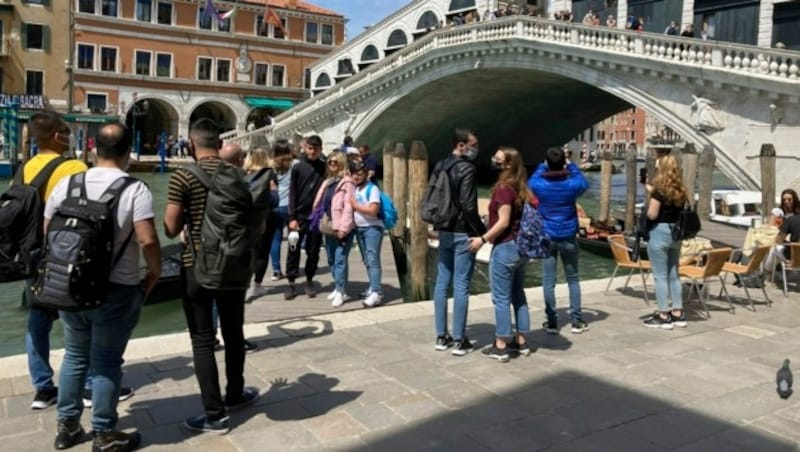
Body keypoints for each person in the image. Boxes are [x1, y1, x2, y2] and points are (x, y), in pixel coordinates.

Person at [49, 122, 161, 451]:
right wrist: (153, 273)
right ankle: (104, 433)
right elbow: (148, 239)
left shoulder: (68, 183)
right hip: (118, 288)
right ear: (129, 152)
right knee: (107, 361)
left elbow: (48, 232)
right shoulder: (135, 189)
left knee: (74, 356)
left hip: (71, 287)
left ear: (95, 148)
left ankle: (67, 427)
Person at [163, 119, 259, 434]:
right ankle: (235, 393)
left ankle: (214, 415)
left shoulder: (183, 176)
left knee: (203, 340)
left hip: (197, 267)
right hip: (234, 263)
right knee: (234, 332)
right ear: (219, 145)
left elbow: (171, 227)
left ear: (191, 145)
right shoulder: (238, 174)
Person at [22, 111, 88, 411]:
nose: (68, 134)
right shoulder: (74, 166)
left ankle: (43, 388)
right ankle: (86, 385)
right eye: (65, 130)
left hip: (30, 252)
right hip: (65, 253)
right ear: (55, 135)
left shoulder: (23, 167)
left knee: (37, 318)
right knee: (77, 316)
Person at [432, 128, 486, 356]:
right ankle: (459, 339)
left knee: (442, 282)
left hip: (443, 228)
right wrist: (482, 232)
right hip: (462, 231)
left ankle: (441, 336)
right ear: (461, 145)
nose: (476, 148)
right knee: (462, 284)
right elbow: (468, 204)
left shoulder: (440, 165)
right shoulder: (467, 168)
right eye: (473, 144)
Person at [528, 147, 589, 334]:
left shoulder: (539, 186)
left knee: (548, 280)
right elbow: (583, 181)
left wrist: (542, 165)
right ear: (564, 162)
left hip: (547, 236)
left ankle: (552, 321)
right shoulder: (572, 186)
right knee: (573, 279)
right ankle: (577, 321)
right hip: (568, 235)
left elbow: (531, 181)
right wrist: (571, 166)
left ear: (547, 164)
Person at [483, 147, 534, 362]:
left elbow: (503, 222)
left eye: (498, 158)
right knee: (518, 295)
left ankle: (501, 343)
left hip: (505, 247)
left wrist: (483, 238)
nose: (493, 160)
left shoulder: (504, 189)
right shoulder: (520, 187)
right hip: (520, 248)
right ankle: (521, 340)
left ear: (507, 164)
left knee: (501, 297)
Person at [641, 154, 688, 329]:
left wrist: (650, 199)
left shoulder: (659, 191)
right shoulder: (682, 190)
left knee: (660, 276)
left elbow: (652, 214)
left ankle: (663, 315)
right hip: (676, 233)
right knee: (674, 274)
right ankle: (678, 312)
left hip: (660, 232)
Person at [312, 151, 357, 307]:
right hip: (329, 225)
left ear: (342, 163)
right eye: (330, 162)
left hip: (341, 227)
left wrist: (344, 228)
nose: (331, 164)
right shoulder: (329, 181)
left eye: (335, 162)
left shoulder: (348, 183)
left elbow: (348, 208)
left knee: (340, 259)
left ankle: (340, 289)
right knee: (331, 259)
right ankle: (339, 287)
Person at [285, 135, 326, 300]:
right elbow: (292, 193)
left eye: (316, 148)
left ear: (321, 149)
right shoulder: (298, 167)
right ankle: (291, 282)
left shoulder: (324, 168)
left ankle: (309, 279)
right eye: (310, 148)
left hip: (315, 216)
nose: (313, 151)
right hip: (299, 215)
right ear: (305, 148)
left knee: (313, 250)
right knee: (293, 248)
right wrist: (292, 217)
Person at [244, 145, 278, 300]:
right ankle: (257, 285)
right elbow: (275, 201)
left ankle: (244, 285)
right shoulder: (270, 174)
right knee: (263, 252)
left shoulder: (244, 173)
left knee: (247, 251)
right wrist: (273, 191)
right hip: (266, 217)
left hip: (246, 217)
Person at [350, 159, 384, 307]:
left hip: (372, 228)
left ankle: (377, 292)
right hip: (360, 228)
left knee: (373, 259)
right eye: (354, 174)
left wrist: (355, 206)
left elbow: (373, 210)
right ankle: (372, 286)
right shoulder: (356, 189)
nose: (356, 177)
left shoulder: (372, 188)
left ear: (365, 174)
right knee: (366, 260)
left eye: (359, 174)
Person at [269, 139, 294, 282]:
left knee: (275, 238)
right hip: (290, 206)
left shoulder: (271, 166)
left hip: (275, 205)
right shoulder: (294, 165)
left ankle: (276, 270)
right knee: (293, 238)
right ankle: (291, 267)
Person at [766, 189, 800, 274]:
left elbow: (778, 240)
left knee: (775, 249)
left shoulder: (791, 220)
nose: (786, 202)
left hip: (794, 256)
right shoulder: (779, 211)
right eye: (784, 199)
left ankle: (768, 272)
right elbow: (770, 225)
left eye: (789, 199)